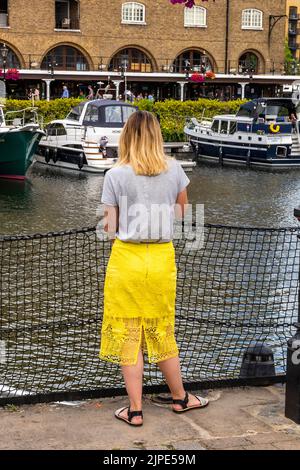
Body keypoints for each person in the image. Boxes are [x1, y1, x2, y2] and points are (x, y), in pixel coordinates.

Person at [99, 111, 209, 427]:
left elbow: (109, 228)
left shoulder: (114, 175)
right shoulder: (175, 170)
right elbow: (181, 212)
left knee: (129, 334)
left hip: (126, 259)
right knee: (162, 330)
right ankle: (180, 398)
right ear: (157, 136)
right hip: (161, 259)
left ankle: (134, 411)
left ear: (127, 137)